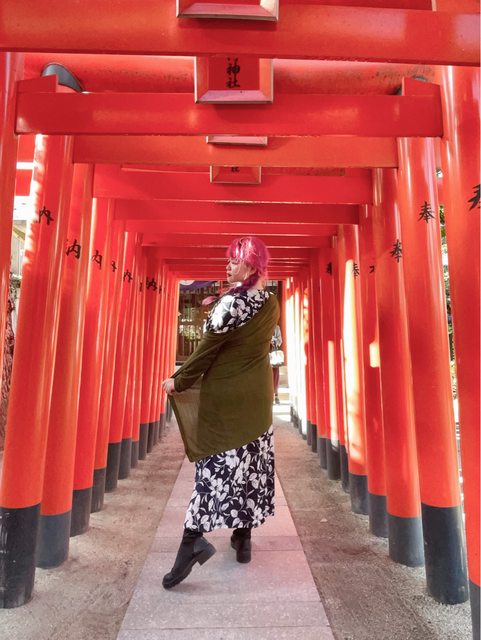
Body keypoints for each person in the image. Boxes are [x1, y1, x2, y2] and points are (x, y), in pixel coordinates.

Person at [162, 236, 280, 589]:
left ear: (250, 264)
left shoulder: (231, 304)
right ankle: (242, 538)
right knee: (249, 468)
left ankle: (192, 541)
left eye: (234, 260)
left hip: (227, 401)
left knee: (213, 471)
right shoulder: (271, 303)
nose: (228, 266)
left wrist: (178, 381)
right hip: (258, 400)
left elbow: (205, 352)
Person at [270, 324, 283, 404]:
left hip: (274, 353)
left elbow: (280, 341)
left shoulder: (276, 327)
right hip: (265, 353)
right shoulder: (263, 326)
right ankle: (269, 395)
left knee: (275, 374)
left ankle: (276, 395)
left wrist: (273, 340)